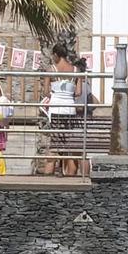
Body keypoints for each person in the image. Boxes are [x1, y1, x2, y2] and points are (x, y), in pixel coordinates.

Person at [40, 48, 82, 177]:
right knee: (70, 145)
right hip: (70, 108)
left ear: (56, 55)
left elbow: (46, 92)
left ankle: (48, 177)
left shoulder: (51, 70)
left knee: (54, 144)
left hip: (56, 108)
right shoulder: (76, 70)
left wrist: (55, 93)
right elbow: (78, 92)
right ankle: (71, 177)